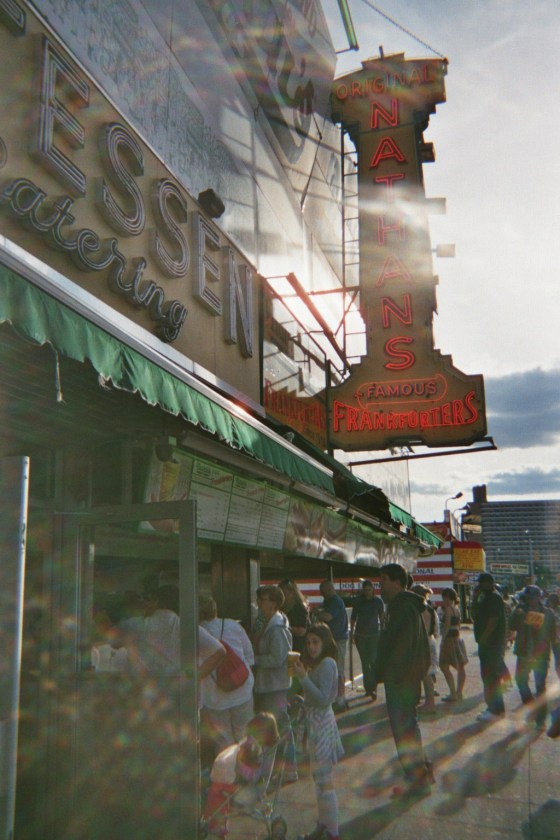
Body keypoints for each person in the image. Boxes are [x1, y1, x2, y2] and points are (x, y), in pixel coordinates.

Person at [376, 563, 434, 799]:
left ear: (398, 582)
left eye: (384, 580)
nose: (380, 585)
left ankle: (416, 781)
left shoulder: (400, 607)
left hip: (400, 679)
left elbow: (398, 647)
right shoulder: (408, 606)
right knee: (409, 726)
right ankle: (422, 773)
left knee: (404, 730)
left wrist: (386, 671)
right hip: (406, 678)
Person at [293, 623, 344, 840]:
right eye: (309, 643)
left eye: (316, 642)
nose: (312, 647)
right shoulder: (317, 663)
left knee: (324, 780)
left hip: (322, 725)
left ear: (325, 642)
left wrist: (303, 677)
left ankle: (333, 832)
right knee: (318, 778)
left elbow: (324, 699)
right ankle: (323, 824)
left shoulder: (328, 664)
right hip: (314, 724)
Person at [204, 712, 279, 838]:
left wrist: (238, 765)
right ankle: (216, 822)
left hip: (252, 786)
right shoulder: (257, 746)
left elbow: (254, 776)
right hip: (244, 780)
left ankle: (217, 824)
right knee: (217, 787)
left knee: (217, 790)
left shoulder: (259, 752)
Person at [199, 594, 255, 754]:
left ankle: (228, 776)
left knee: (223, 740)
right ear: (215, 609)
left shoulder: (197, 633)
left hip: (215, 697)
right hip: (242, 690)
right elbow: (249, 656)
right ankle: (249, 774)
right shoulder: (232, 625)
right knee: (245, 736)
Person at [252, 585, 297, 782]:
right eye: (260, 598)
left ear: (274, 603)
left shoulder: (277, 628)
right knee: (278, 726)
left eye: (264, 599)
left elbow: (278, 658)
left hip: (275, 685)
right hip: (271, 684)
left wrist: (254, 659)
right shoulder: (267, 622)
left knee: (280, 727)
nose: (260, 602)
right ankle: (283, 768)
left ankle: (288, 769)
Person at [510, 585, 557, 730]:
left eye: (533, 597)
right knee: (522, 681)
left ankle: (539, 719)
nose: (531, 600)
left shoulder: (548, 613)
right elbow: (513, 625)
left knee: (539, 686)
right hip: (526, 653)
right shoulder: (521, 611)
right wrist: (518, 612)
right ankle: (535, 712)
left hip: (538, 655)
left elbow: (552, 634)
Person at [471, 572, 507, 722]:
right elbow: (474, 615)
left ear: (488, 583)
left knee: (490, 677)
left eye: (481, 583)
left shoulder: (493, 597)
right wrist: (474, 598)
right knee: (491, 677)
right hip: (488, 643)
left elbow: (493, 620)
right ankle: (497, 709)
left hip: (491, 643)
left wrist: (484, 639)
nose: (479, 586)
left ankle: (493, 710)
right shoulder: (484, 597)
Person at [314, 580, 349, 712]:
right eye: (323, 591)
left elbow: (328, 616)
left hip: (338, 639)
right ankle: (336, 697)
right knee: (332, 669)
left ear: (331, 589)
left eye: (327, 590)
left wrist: (317, 613)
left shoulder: (335, 601)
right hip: (332, 639)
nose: (325, 593)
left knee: (338, 669)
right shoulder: (328, 602)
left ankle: (340, 699)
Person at [350, 579, 384, 701]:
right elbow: (353, 618)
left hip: (374, 635)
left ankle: (373, 687)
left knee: (373, 661)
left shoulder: (378, 601)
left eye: (369, 590)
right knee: (365, 662)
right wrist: (352, 633)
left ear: (373, 590)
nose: (367, 592)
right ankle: (368, 688)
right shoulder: (359, 602)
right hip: (361, 635)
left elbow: (382, 617)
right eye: (365, 590)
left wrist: (383, 632)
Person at [411, 584, 439, 713]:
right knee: (427, 673)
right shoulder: (431, 609)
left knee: (425, 674)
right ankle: (429, 702)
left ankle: (430, 704)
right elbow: (436, 630)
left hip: (423, 643)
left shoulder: (418, 610)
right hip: (431, 640)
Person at [438, 587, 468, 703]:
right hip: (457, 638)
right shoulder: (457, 609)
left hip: (449, 638)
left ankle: (453, 693)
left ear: (447, 597)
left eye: (444, 597)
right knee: (460, 666)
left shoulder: (448, 609)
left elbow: (447, 625)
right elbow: (458, 625)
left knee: (444, 665)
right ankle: (459, 692)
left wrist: (443, 640)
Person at [278, 578, 310, 654]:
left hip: (298, 647)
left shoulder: (299, 607)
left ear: (292, 592)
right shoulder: (283, 608)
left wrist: (284, 627)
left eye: (284, 593)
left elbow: (302, 631)